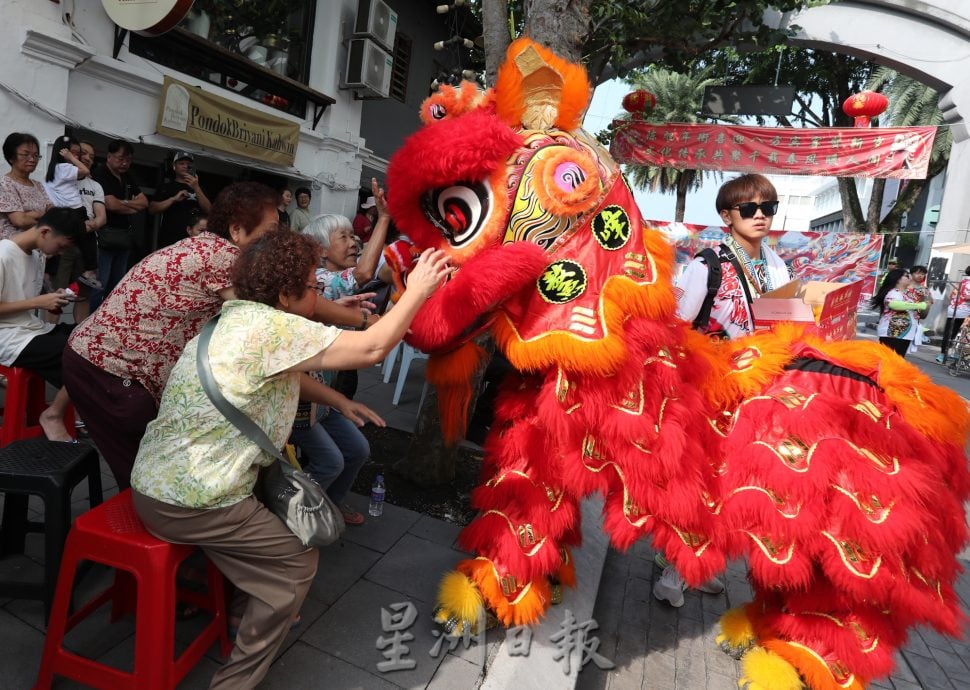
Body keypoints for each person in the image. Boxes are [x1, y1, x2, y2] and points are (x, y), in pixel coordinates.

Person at [129, 230, 451, 689]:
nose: (319, 296)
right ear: (284, 293)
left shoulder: (234, 320)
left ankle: (243, 608)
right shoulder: (273, 328)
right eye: (313, 288)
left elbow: (277, 377)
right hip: (195, 499)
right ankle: (235, 679)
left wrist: (337, 402)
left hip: (155, 484)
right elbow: (373, 347)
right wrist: (417, 290)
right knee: (297, 561)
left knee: (275, 523)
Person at [63, 182, 378, 489]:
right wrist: (365, 320)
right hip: (112, 372)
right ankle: (152, 531)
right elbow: (287, 306)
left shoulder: (205, 249)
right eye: (269, 233)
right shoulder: (227, 259)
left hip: (100, 360)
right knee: (147, 479)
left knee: (157, 473)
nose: (275, 243)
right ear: (237, 231)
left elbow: (286, 308)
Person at [658, 173, 792, 607]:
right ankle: (675, 569)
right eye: (748, 209)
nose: (760, 217)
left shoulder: (778, 266)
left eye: (767, 208)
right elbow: (677, 328)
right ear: (726, 215)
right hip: (710, 393)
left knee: (734, 487)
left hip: (759, 394)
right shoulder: (706, 266)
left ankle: (699, 563)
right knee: (700, 482)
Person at [0, 208, 84, 441]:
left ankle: (59, 410)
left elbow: (25, 298)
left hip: (30, 329)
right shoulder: (3, 254)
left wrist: (53, 299)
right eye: (61, 246)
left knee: (89, 338)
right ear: (45, 231)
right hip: (6, 336)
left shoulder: (37, 255)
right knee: (77, 356)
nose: (60, 252)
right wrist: (38, 301)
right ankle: (54, 415)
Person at [303, 178, 391, 399]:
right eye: (343, 237)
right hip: (323, 372)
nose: (353, 243)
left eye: (353, 236)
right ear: (322, 250)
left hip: (341, 367)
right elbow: (363, 273)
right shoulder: (321, 279)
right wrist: (385, 218)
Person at [91, 140, 148, 309]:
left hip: (123, 237)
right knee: (99, 284)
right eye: (120, 158)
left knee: (116, 285)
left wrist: (123, 204)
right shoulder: (100, 173)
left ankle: (109, 319)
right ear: (109, 156)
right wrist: (130, 205)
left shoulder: (127, 177)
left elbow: (144, 202)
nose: (124, 163)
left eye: (128, 160)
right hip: (104, 237)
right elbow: (110, 205)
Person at [149, 150, 211, 249]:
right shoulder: (166, 186)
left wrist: (196, 187)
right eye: (181, 163)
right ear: (174, 166)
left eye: (188, 164)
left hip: (194, 240)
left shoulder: (200, 188)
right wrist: (173, 199)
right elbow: (152, 209)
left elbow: (209, 210)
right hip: (170, 238)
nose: (185, 166)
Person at [0, 132, 51, 240]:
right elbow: (20, 220)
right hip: (14, 249)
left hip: (38, 249)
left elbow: (53, 211)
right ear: (11, 157)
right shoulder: (4, 184)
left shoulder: (37, 185)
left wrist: (32, 214)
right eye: (25, 154)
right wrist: (45, 216)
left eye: (35, 155)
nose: (32, 159)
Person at [871, 267, 925, 357]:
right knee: (888, 362)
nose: (910, 277)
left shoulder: (907, 294)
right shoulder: (893, 292)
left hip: (905, 334)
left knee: (897, 362)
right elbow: (894, 304)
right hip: (892, 334)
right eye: (906, 276)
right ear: (898, 279)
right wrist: (918, 305)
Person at [937, 264, 970, 363]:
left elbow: (952, 295)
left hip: (953, 310)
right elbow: (967, 297)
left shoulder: (961, 282)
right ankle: (957, 354)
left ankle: (943, 354)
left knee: (950, 333)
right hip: (964, 312)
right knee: (964, 334)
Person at [905, 264, 932, 353]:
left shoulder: (925, 290)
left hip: (914, 317)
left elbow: (928, 303)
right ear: (911, 274)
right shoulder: (904, 286)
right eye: (918, 273)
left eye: (923, 274)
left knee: (907, 341)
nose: (920, 276)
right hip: (900, 315)